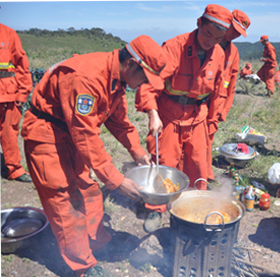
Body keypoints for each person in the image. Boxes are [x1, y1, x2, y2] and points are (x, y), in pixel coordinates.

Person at [21, 35, 167, 276]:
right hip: (47, 136)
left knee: (88, 191)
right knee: (65, 202)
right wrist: (117, 181)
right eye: (144, 78)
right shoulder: (86, 78)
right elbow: (85, 136)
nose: (143, 85)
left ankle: (98, 243)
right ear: (131, 64)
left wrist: (138, 152)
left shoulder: (116, 80)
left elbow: (119, 121)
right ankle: (81, 265)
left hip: (72, 135)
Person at [135, 4, 232, 231]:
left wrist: (213, 121)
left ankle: (195, 209)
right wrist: (152, 113)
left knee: (198, 166)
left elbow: (219, 90)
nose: (210, 41)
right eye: (208, 33)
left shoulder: (219, 54)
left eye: (217, 38)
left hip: (198, 117)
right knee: (164, 163)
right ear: (199, 23)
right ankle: (156, 210)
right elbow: (150, 83)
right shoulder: (174, 47)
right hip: (168, 115)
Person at [206, 9, 251, 180]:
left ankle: (205, 167)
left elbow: (232, 85)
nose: (235, 35)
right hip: (199, 99)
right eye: (234, 30)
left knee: (209, 136)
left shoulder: (234, 52)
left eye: (239, 34)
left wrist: (224, 110)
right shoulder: (209, 43)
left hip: (217, 102)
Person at [0, 23, 33, 182]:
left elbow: (22, 65)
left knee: (10, 132)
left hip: (7, 92)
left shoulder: (8, 34)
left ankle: (14, 170)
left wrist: (22, 93)